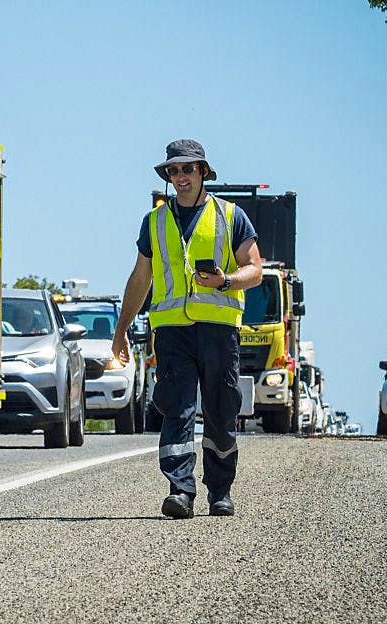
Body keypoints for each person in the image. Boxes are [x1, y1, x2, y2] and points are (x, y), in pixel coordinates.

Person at [112, 139, 263, 519]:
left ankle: (220, 492)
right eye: (174, 170)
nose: (180, 176)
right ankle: (180, 490)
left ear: (203, 172)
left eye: (188, 169)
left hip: (219, 330)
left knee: (220, 412)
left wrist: (226, 281)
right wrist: (121, 329)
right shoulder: (155, 221)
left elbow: (255, 270)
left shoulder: (231, 216)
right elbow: (140, 278)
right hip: (171, 332)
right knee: (176, 409)